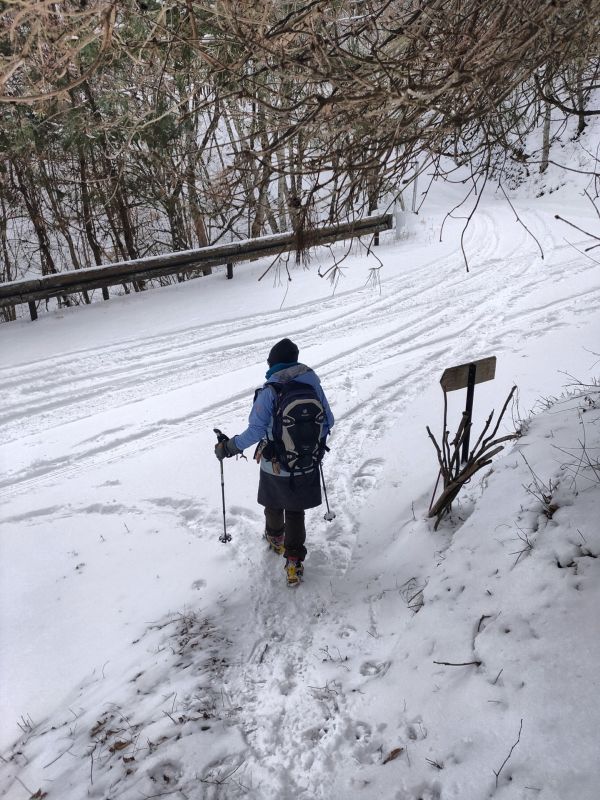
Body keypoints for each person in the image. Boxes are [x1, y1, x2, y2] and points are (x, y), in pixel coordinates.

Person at [214, 338, 334, 586]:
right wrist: (310, 447)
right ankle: (293, 563)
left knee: (273, 502)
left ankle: (275, 538)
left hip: (275, 463)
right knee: (295, 511)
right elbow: (328, 422)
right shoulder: (313, 385)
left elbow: (255, 431)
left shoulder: (270, 391)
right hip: (307, 463)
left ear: (273, 363)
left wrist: (229, 447)